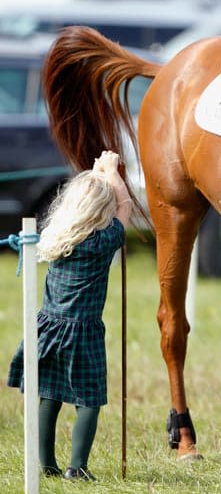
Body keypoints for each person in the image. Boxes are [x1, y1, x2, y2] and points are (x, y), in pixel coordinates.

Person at [7, 150, 132, 482]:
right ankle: (77, 468)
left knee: (49, 395)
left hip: (47, 326)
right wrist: (112, 174)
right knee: (88, 402)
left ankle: (45, 464)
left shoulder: (54, 239)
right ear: (100, 212)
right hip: (83, 332)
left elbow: (105, 203)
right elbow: (126, 207)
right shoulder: (102, 242)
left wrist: (97, 175)